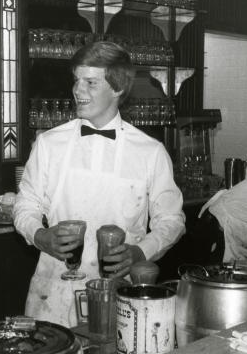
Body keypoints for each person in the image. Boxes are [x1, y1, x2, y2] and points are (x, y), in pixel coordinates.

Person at [13, 41, 185, 327]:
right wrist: (40, 235)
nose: (78, 91)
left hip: (119, 294)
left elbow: (172, 220)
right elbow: (25, 205)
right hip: (52, 292)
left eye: (91, 83)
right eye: (76, 81)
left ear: (117, 89)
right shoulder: (48, 143)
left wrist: (141, 252)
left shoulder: (150, 151)